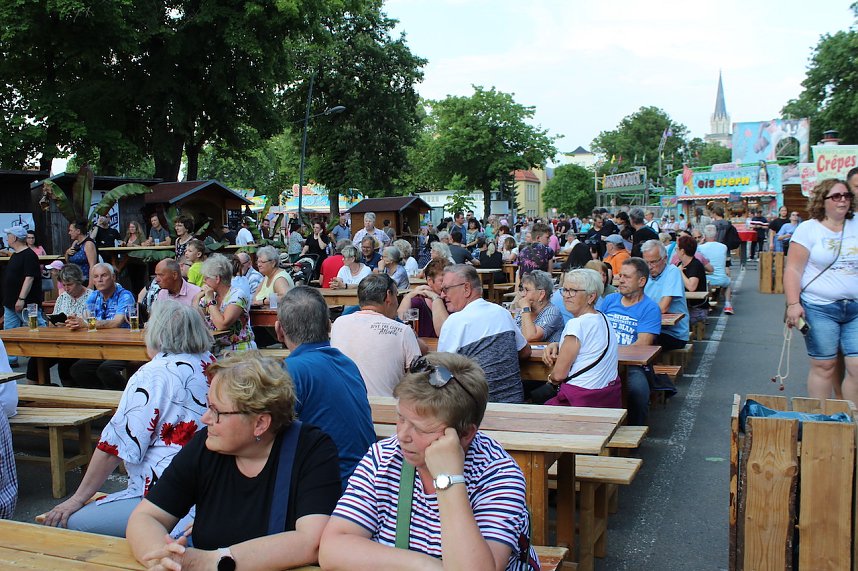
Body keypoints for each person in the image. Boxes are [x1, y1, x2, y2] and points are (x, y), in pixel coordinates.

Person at [320, 352, 539, 571]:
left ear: (465, 435)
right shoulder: (383, 457)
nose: (402, 435)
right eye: (401, 418)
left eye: (420, 428)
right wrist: (424, 564)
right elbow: (332, 548)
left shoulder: (498, 475)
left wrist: (449, 480)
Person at [126, 351, 342, 570]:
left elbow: (312, 542)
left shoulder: (311, 450)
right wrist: (163, 558)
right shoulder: (207, 445)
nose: (205, 418)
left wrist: (214, 562)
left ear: (260, 423)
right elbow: (146, 517)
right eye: (208, 406)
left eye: (217, 411)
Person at [42, 300, 213, 536]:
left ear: (158, 334)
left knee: (70, 524)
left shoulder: (155, 373)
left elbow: (115, 445)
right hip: (210, 488)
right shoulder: (209, 362)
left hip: (167, 496)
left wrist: (77, 499)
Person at [276, 286, 376, 485]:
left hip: (331, 490)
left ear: (279, 330)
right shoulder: (348, 364)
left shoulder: (290, 371)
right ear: (329, 326)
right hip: (368, 482)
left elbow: (267, 439)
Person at [784, 178, 858, 403]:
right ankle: (822, 422)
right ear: (822, 200)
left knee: (857, 367)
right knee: (824, 365)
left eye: (846, 196)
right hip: (819, 307)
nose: (843, 200)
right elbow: (794, 269)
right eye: (836, 196)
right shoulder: (808, 229)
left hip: (855, 307)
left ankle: (851, 424)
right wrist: (793, 304)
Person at [437, 264, 530, 403]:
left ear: (466, 288)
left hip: (477, 412)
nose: (442, 295)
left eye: (446, 289)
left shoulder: (455, 322)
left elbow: (440, 375)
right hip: (513, 405)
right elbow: (525, 352)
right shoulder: (502, 313)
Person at [594, 258, 661, 425]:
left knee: (638, 391)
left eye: (627, 277)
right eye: (620, 275)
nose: (620, 280)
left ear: (641, 281)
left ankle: (635, 433)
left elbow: (642, 345)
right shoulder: (610, 300)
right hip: (601, 361)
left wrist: (610, 354)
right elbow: (595, 328)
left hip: (631, 365)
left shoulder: (650, 308)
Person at [541, 268, 621, 408]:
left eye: (573, 291)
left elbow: (559, 375)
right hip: (605, 397)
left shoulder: (577, 324)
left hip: (580, 400)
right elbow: (589, 346)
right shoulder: (603, 318)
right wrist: (558, 344)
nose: (566, 295)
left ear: (591, 297)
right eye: (564, 290)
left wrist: (549, 380)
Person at [331, 274, 422, 396]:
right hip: (387, 409)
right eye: (397, 296)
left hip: (346, 407)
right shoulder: (403, 331)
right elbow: (417, 378)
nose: (397, 302)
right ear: (388, 296)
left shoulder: (338, 323)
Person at [68, 263, 136, 389]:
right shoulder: (94, 296)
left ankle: (126, 398)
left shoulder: (125, 296)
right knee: (77, 369)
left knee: (105, 370)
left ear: (113, 277)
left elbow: (116, 322)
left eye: (104, 275)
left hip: (124, 346)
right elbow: (86, 318)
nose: (99, 279)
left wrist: (87, 323)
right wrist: (74, 321)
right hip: (101, 346)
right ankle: (101, 399)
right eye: (96, 276)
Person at [25, 263, 91, 385]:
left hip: (82, 344)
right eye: (64, 285)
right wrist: (57, 323)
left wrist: (80, 324)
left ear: (79, 281)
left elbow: (95, 323)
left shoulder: (91, 297)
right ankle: (35, 396)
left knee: (66, 364)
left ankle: (70, 395)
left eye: (70, 285)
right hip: (61, 341)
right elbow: (51, 324)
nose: (66, 288)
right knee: (34, 361)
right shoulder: (62, 297)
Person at [194, 253, 256, 353]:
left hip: (238, 350)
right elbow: (194, 320)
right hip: (216, 349)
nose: (204, 282)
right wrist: (197, 298)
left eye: (206, 278)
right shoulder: (211, 294)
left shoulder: (237, 295)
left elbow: (222, 324)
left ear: (217, 278)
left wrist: (210, 301)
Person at [641, 239, 690, 352]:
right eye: (646, 262)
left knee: (642, 342)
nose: (649, 267)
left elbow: (663, 307)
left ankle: (640, 368)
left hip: (672, 333)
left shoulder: (672, 272)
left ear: (665, 259)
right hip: (650, 328)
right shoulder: (644, 273)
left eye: (653, 262)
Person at [4, 226, 46, 344]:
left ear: (15, 237)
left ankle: (42, 355)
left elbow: (29, 278)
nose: (7, 238)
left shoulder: (29, 255)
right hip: (10, 302)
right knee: (10, 333)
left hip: (27, 302)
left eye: (9, 235)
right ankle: (11, 360)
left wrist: (21, 299)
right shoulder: (15, 255)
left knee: (36, 329)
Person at [398, 259, 451, 339]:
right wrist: (409, 296)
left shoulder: (454, 301)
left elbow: (447, 333)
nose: (447, 284)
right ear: (429, 281)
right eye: (442, 280)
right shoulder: (417, 302)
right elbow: (399, 322)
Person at [512, 270, 564, 343]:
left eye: (527, 290)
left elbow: (530, 337)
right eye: (522, 290)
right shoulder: (524, 311)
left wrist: (525, 309)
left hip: (543, 354)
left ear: (541, 294)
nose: (523, 294)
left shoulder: (552, 311)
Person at [699, 224, 734, 315]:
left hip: (707, 279)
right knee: (728, 282)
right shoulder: (723, 247)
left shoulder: (700, 248)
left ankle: (708, 303)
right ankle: (728, 304)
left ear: (704, 235)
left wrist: (700, 243)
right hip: (721, 278)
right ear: (716, 235)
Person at [675, 234, 708, 325]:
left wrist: (680, 272)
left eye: (677, 248)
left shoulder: (695, 265)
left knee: (673, 326)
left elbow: (691, 287)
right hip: (684, 306)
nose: (675, 251)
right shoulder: (680, 264)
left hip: (697, 309)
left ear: (682, 251)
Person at [65, 220, 99, 288]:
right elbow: (68, 261)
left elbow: (92, 265)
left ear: (78, 231)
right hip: (75, 281)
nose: (69, 233)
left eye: (71, 230)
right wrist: (67, 253)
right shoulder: (75, 243)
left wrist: (91, 285)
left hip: (85, 280)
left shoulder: (88, 244)